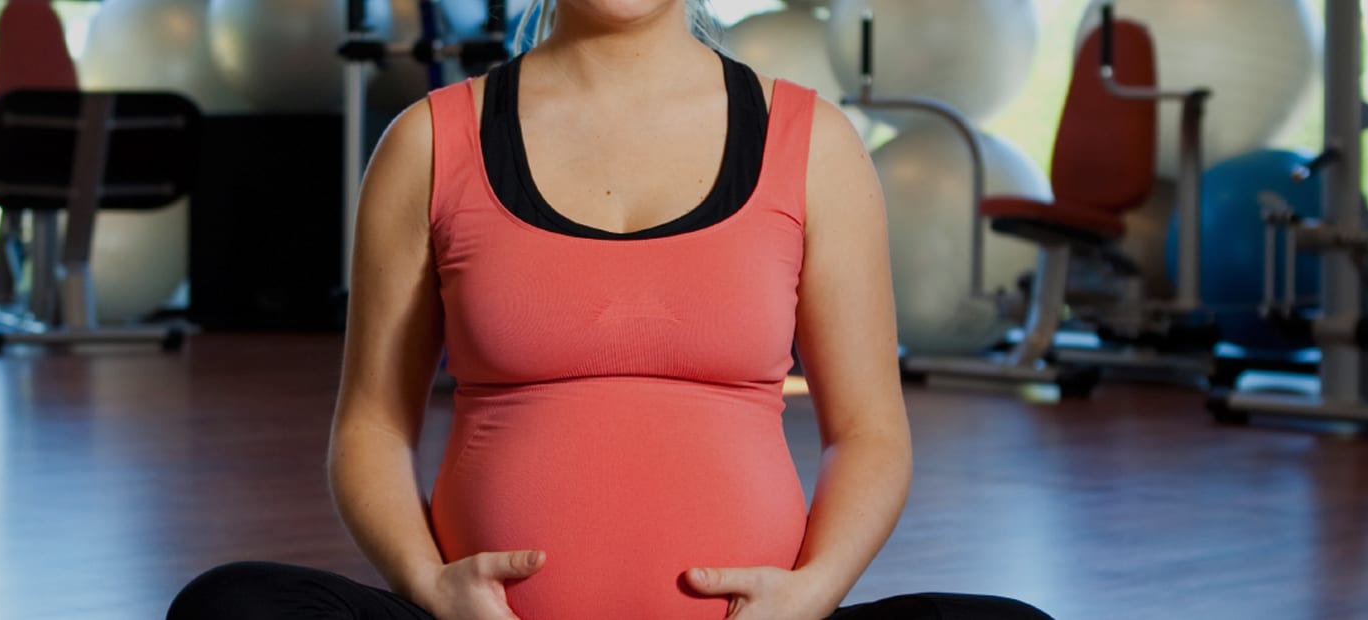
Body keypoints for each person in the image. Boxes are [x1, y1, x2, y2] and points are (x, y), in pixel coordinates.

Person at [169, 1, 1055, 618]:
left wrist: (811, 593)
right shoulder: (431, 142)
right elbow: (370, 426)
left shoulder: (812, 142)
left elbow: (868, 431)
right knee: (231, 605)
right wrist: (429, 585)